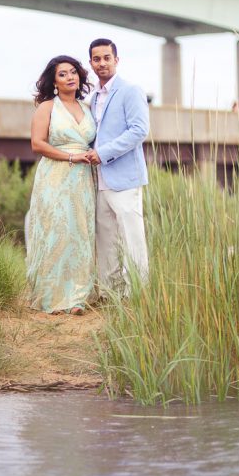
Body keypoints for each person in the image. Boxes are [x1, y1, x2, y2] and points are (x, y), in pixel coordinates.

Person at [25, 55, 97, 314]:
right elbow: (37, 144)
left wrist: (90, 154)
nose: (70, 77)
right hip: (55, 174)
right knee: (57, 230)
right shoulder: (47, 107)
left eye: (73, 72)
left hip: (82, 179)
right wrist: (70, 156)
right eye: (63, 74)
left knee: (79, 232)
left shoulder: (88, 108)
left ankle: (77, 297)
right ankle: (52, 298)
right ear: (54, 82)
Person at [83, 38, 150, 295]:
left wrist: (103, 153)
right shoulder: (93, 97)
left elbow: (139, 131)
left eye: (107, 58)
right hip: (99, 181)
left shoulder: (130, 91)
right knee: (106, 240)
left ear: (116, 60)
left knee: (133, 240)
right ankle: (110, 294)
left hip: (125, 179)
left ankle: (136, 295)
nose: (102, 63)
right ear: (91, 63)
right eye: (97, 59)